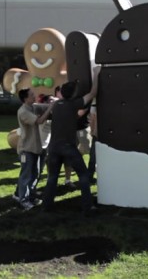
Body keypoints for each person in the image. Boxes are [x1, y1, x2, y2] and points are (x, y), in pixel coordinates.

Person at [43, 70, 99, 216]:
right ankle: (87, 207)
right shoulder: (73, 104)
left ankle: (46, 206)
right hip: (68, 147)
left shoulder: (57, 105)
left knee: (52, 177)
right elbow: (93, 93)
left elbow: (72, 116)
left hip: (53, 147)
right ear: (73, 94)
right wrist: (96, 74)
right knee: (84, 176)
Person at [14, 88, 53, 210]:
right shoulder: (23, 112)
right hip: (26, 149)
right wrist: (51, 107)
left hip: (35, 148)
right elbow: (40, 121)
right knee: (26, 175)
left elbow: (43, 106)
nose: (34, 96)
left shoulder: (32, 107)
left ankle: (30, 196)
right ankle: (23, 200)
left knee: (35, 174)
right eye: (31, 95)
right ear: (25, 98)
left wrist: (55, 103)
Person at [87, 102, 97, 183]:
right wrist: (93, 131)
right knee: (93, 156)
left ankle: (90, 176)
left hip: (97, 134)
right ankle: (90, 176)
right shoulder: (94, 106)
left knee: (93, 156)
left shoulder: (94, 106)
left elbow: (91, 120)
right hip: (97, 134)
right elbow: (92, 120)